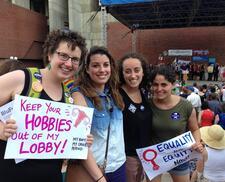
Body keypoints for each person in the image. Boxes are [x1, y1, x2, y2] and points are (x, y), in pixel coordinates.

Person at [0, 29, 89, 182]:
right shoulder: (23, 78)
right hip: (11, 175)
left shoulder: (68, 97)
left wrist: (80, 140)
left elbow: (64, 146)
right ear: (50, 55)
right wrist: (1, 129)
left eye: (75, 59)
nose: (69, 63)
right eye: (63, 56)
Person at [69, 46, 126, 181]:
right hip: (94, 170)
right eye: (95, 65)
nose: (102, 70)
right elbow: (79, 143)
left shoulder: (114, 93)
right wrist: (100, 178)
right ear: (87, 69)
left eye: (106, 65)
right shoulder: (78, 95)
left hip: (118, 166)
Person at [149, 65, 203, 182]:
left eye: (164, 84)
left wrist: (197, 142)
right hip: (154, 157)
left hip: (179, 156)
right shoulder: (147, 105)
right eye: (155, 84)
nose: (159, 89)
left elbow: (195, 129)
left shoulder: (185, 106)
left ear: (172, 84)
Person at [118, 53, 152, 182]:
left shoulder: (145, 92)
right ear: (122, 74)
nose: (133, 75)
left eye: (137, 70)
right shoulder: (116, 95)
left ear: (143, 72)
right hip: (127, 157)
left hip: (146, 155)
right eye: (127, 71)